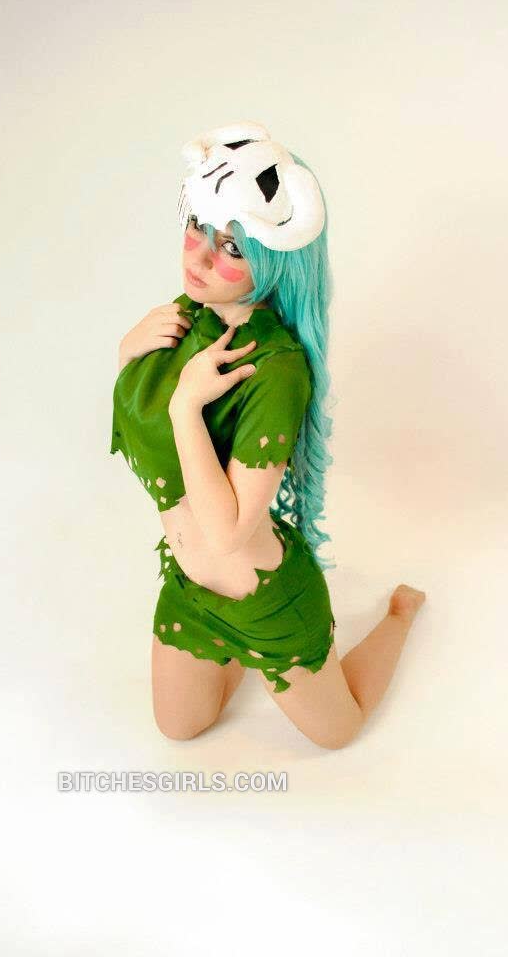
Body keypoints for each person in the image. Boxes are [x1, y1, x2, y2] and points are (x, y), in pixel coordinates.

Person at [110, 120, 426, 749]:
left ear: (275, 257)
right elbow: (139, 425)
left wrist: (186, 407)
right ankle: (230, 653)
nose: (200, 257)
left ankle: (398, 616)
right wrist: (126, 355)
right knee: (179, 728)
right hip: (190, 590)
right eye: (198, 226)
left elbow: (228, 532)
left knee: (339, 733)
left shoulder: (277, 371)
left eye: (232, 247)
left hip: (266, 602)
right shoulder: (185, 319)